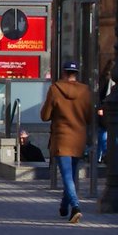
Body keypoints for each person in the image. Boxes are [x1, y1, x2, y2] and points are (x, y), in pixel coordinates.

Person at [39, 61, 93, 224]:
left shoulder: (55, 89)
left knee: (67, 175)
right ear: (76, 73)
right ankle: (64, 206)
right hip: (78, 138)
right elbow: (89, 116)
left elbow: (45, 115)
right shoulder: (85, 91)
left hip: (62, 137)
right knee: (71, 174)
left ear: (63, 72)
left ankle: (75, 206)